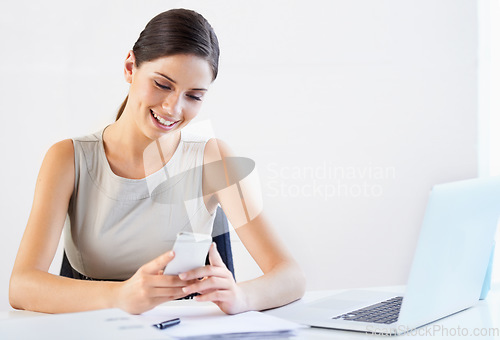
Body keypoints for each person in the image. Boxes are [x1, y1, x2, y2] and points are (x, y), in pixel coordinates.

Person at [9, 8, 305, 315]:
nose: (173, 108)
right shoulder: (68, 159)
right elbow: (22, 286)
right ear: (130, 67)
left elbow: (290, 276)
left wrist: (241, 297)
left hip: (185, 327)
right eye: (163, 84)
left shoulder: (214, 160)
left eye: (194, 96)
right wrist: (122, 295)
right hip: (95, 324)